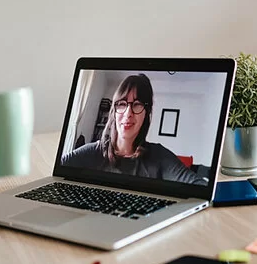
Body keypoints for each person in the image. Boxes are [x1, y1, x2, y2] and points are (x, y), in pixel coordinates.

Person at [61, 74, 205, 185]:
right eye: (122, 104)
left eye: (137, 104)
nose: (128, 113)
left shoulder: (159, 157)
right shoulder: (92, 152)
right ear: (114, 111)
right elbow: (57, 170)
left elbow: (198, 186)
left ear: (146, 113)